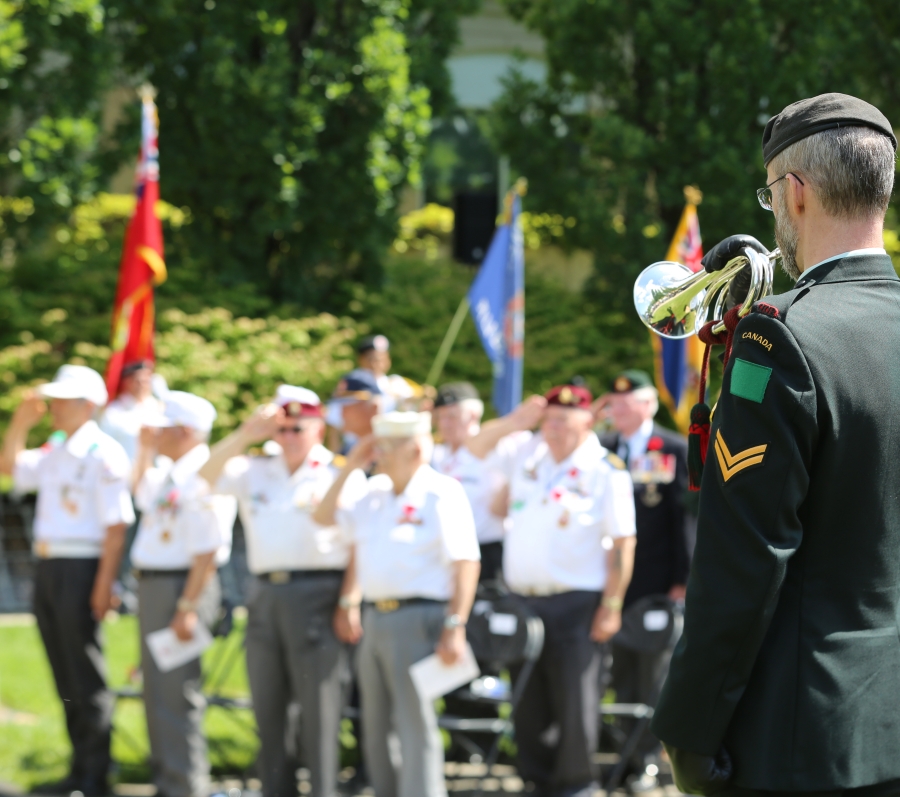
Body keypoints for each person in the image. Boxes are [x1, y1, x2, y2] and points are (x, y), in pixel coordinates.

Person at [650, 93, 900, 796]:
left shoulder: (774, 338)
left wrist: (689, 726)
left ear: (793, 193)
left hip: (808, 739)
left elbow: (744, 558)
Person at [199, 385, 367, 797]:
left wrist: (350, 598)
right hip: (265, 594)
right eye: (283, 429)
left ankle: (324, 789)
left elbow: (364, 542)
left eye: (298, 428)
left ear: (317, 427)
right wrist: (244, 434)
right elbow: (202, 477)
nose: (289, 437)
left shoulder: (339, 472)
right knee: (268, 708)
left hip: (320, 593)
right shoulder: (255, 468)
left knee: (319, 711)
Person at [469, 385, 637, 797]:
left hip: (577, 601)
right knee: (528, 699)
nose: (554, 426)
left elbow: (623, 542)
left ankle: (577, 784)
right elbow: (474, 449)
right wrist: (515, 422)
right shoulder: (529, 454)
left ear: (587, 420)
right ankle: (537, 781)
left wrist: (612, 605)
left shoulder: (604, 468)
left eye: (564, 418)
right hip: (523, 601)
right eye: (549, 418)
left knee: (576, 700)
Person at [314, 411, 481, 797]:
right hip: (375, 616)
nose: (380, 454)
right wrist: (351, 466)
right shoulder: (372, 492)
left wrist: (455, 625)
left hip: (419, 617)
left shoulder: (442, 491)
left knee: (413, 721)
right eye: (378, 445)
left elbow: (466, 563)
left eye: (389, 446)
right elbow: (322, 517)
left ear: (417, 449)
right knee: (375, 723)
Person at [0, 365, 135, 797]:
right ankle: (80, 770)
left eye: (63, 400)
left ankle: (97, 776)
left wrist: (103, 584)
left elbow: (116, 528)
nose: (54, 408)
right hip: (51, 565)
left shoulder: (104, 452)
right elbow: (10, 468)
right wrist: (20, 423)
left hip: (84, 565)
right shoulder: (57, 447)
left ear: (88, 405)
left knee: (85, 674)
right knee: (63, 673)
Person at [130, 390, 236, 797]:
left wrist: (188, 607)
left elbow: (208, 550)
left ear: (187, 432)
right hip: (159, 585)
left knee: (176, 693)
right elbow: (142, 493)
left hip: (184, 587)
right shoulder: (170, 472)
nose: (154, 435)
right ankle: (167, 781)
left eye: (162, 429)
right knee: (156, 690)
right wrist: (142, 448)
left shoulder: (203, 476)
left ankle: (186, 786)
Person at [596, 370, 691, 790]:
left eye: (624, 404)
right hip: (611, 584)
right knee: (617, 675)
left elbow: (686, 517)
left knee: (652, 676)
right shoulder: (601, 449)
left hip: (657, 581)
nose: (615, 410)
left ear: (647, 405)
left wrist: (683, 578)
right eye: (612, 405)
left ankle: (648, 761)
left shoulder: (672, 447)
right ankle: (623, 756)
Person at [431, 382, 506, 583]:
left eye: (452, 416)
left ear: (473, 416)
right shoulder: (437, 455)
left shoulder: (494, 448)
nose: (445, 424)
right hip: (446, 555)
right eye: (441, 417)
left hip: (487, 551)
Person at [99, 360, 163, 464]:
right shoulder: (114, 412)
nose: (142, 385)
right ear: (127, 382)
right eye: (138, 381)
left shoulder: (160, 408)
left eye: (146, 381)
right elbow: (104, 446)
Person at [325, 368, 387, 454]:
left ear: (374, 408)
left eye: (348, 406)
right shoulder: (348, 452)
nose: (342, 413)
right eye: (341, 407)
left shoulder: (396, 449)